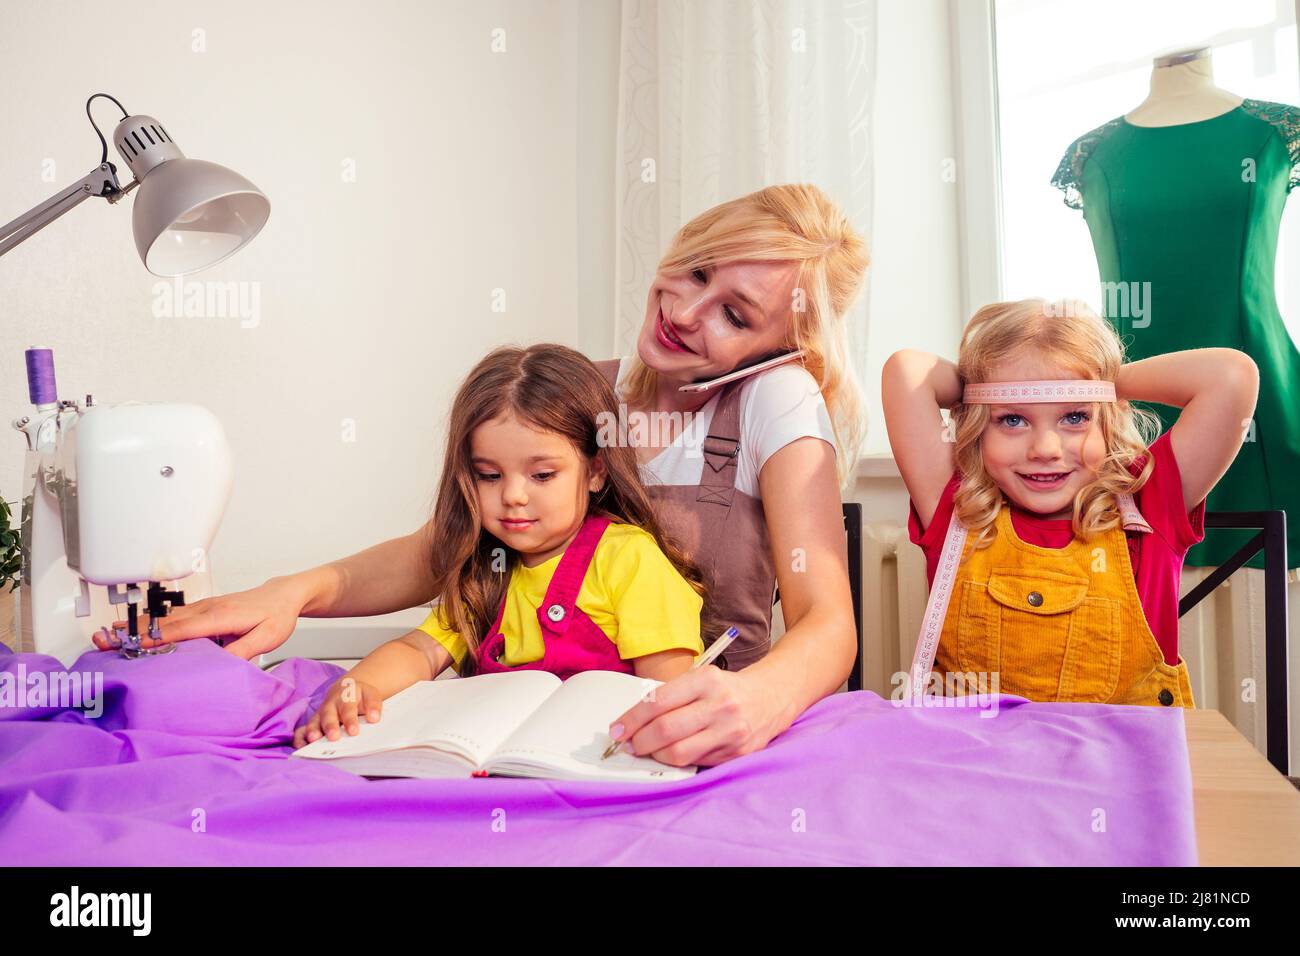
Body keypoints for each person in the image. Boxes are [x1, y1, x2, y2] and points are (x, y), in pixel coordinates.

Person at [95, 183, 868, 767]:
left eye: (737, 315)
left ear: (783, 349)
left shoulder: (775, 400)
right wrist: (297, 592)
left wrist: (755, 700)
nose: (689, 311)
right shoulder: (587, 390)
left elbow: (828, 620)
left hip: (681, 738)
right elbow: (453, 547)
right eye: (696, 271)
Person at [290, 345, 707, 749]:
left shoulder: (628, 558)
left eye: (542, 476)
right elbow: (417, 650)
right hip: (497, 771)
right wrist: (360, 684)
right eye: (489, 476)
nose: (513, 496)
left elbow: (665, 688)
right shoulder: (484, 569)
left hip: (600, 762)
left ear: (596, 470)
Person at [881, 298, 1258, 705]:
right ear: (977, 426)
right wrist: (981, 383)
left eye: (1075, 416)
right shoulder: (958, 508)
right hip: (980, 765)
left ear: (1107, 418)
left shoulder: (1148, 503)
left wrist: (1104, 380)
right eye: (1012, 419)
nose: (1045, 448)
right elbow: (906, 372)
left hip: (1122, 766)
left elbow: (1231, 377)